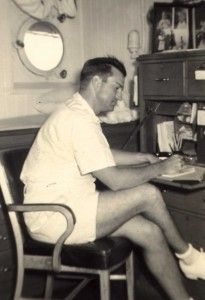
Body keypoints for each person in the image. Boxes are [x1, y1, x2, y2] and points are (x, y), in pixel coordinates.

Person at [21, 56, 205, 300]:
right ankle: (189, 257)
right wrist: (160, 168)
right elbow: (115, 181)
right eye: (116, 87)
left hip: (71, 205)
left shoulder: (76, 112)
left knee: (149, 232)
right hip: (56, 216)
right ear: (97, 82)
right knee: (148, 194)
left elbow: (101, 155)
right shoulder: (77, 119)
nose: (119, 96)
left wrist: (143, 157)